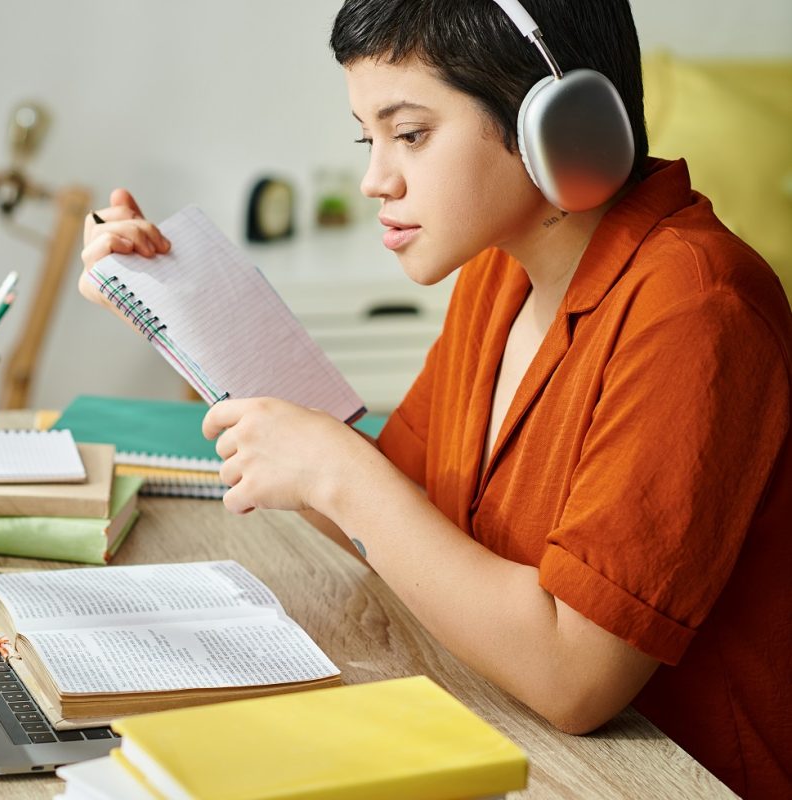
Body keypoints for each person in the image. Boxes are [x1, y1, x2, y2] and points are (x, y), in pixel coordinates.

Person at [79, 1, 791, 796]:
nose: (374, 179)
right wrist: (174, 304)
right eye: (367, 136)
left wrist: (341, 474)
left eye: (409, 133)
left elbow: (573, 677)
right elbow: (401, 516)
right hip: (507, 739)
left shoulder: (697, 308)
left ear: (559, 126)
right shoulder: (501, 272)